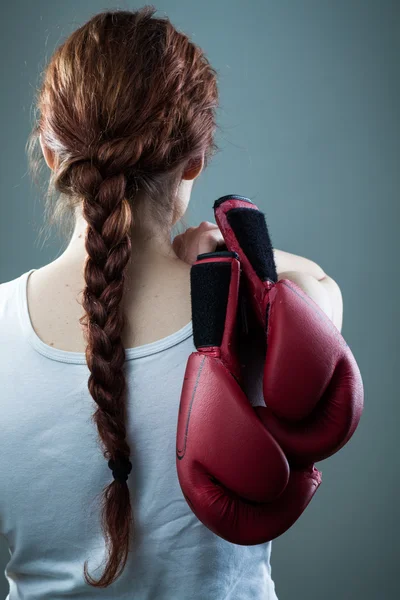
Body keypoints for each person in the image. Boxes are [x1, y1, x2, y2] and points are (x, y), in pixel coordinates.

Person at [0, 7, 343, 599]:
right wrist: (225, 245)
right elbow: (317, 282)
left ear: (52, 156)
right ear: (194, 160)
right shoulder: (270, 315)